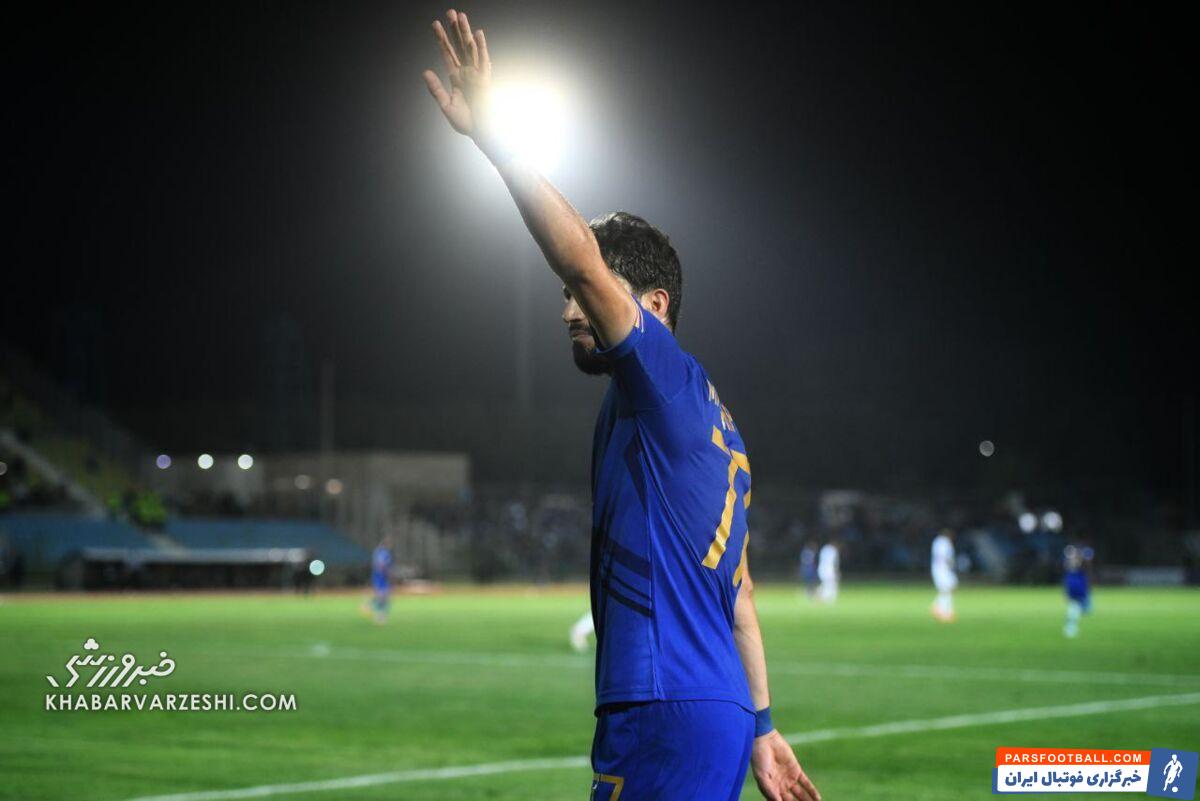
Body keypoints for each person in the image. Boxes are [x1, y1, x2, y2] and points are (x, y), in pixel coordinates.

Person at [422, 11, 820, 801]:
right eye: (568, 296)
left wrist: (493, 137)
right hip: (714, 708)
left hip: (662, 705)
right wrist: (764, 723)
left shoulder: (661, 376)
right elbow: (738, 594)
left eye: (588, 294)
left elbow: (576, 255)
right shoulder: (713, 423)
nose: (570, 308)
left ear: (655, 304)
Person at [1062, 544, 1092, 638]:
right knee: (1074, 607)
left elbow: (1084, 566)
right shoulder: (1070, 566)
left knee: (1083, 609)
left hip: (1079, 587)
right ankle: (1070, 627)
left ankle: (1070, 625)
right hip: (1074, 587)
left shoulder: (1081, 567)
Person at [363, 536, 394, 625]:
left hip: (377, 576)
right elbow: (382, 565)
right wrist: (389, 574)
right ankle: (378, 615)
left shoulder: (377, 551)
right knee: (383, 597)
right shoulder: (385, 553)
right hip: (381, 577)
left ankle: (370, 607)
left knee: (383, 597)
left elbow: (376, 564)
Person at [930, 529, 957, 622]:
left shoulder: (936, 541)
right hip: (944, 569)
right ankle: (944, 611)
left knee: (947, 588)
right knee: (948, 588)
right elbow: (947, 557)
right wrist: (952, 565)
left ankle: (938, 606)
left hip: (936, 568)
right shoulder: (946, 543)